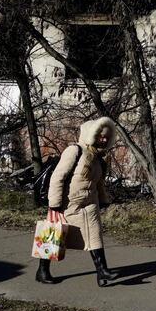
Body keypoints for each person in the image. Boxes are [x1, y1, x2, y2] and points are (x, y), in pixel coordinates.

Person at [35, 116, 120, 287]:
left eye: (106, 137)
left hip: (90, 204)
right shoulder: (75, 150)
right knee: (53, 233)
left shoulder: (98, 156)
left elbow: (99, 182)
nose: (103, 139)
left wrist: (103, 200)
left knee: (95, 235)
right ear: (91, 134)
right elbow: (58, 177)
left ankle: (102, 273)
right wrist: (54, 204)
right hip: (67, 203)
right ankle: (42, 271)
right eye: (99, 136)